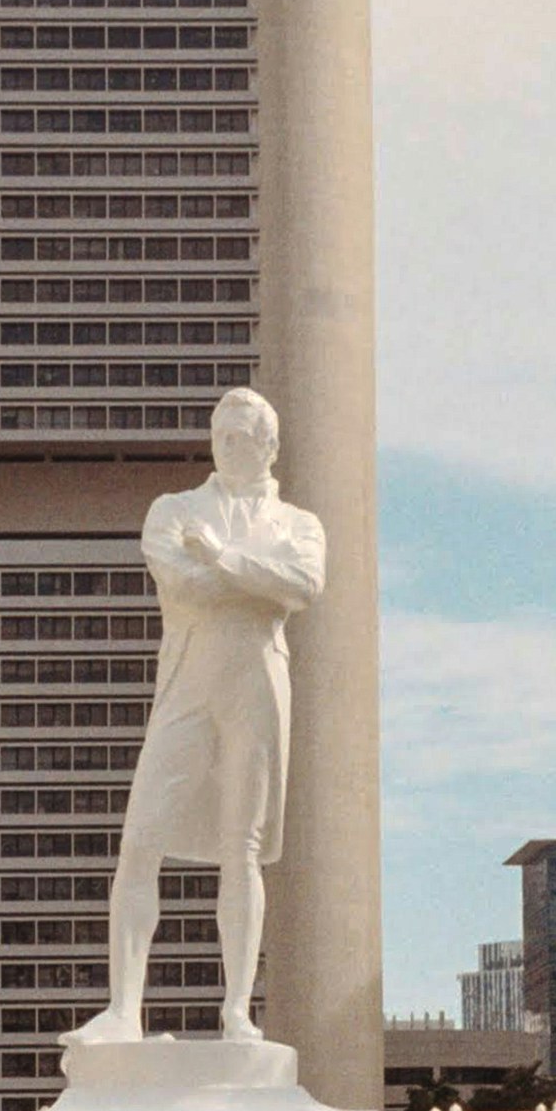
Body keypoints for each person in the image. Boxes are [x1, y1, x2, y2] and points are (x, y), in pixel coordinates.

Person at [77, 387, 326, 1043]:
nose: (229, 444)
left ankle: (238, 1010)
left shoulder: (299, 523)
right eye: (221, 433)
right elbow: (180, 581)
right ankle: (124, 1008)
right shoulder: (174, 508)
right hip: (188, 684)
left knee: (240, 849)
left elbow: (302, 584)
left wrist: (221, 557)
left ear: (270, 444)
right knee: (140, 839)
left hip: (258, 687)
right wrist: (251, 581)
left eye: (243, 435)